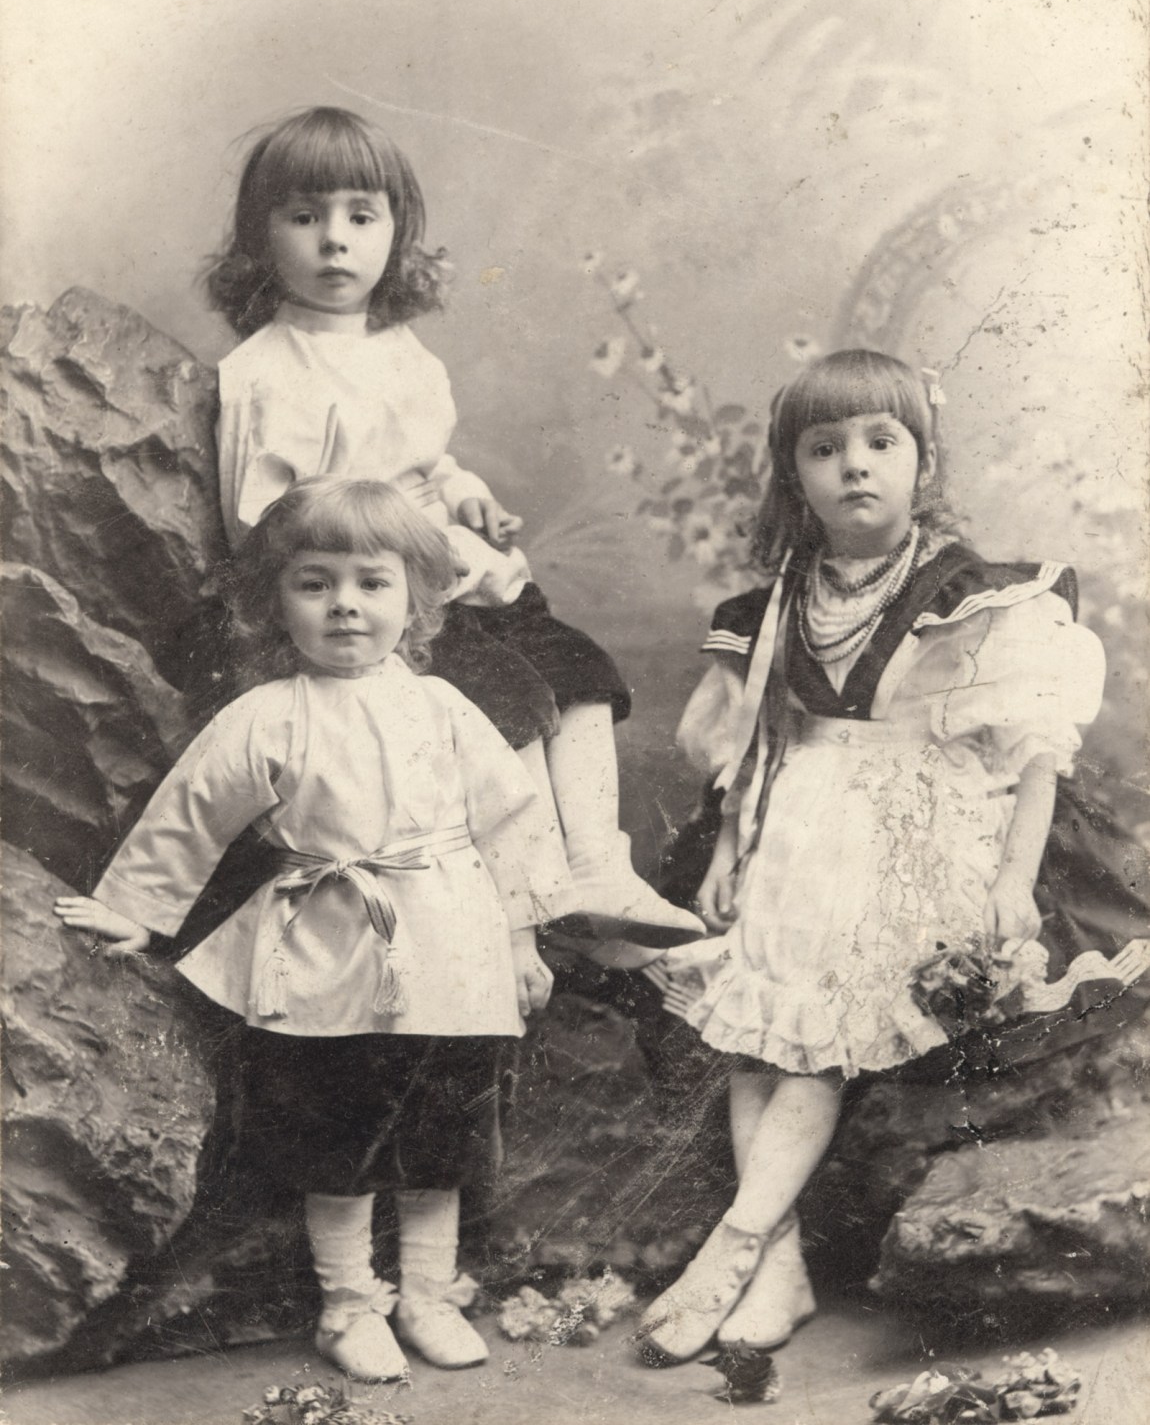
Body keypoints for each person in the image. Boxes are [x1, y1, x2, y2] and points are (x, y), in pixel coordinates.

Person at [636, 349, 1148, 1365]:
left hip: (917, 822)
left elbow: (1027, 752)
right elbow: (732, 743)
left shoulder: (969, 591)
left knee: (820, 1032)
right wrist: (733, 793)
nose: (854, 466)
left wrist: (1008, 880)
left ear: (922, 462)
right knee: (755, 1030)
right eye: (824, 448)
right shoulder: (776, 597)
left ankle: (734, 1243)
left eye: (881, 442)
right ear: (795, 474)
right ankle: (775, 1268)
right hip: (797, 816)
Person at [55, 477, 573, 1383]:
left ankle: (426, 1292)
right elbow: (190, 814)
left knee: (443, 1134)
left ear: (415, 596)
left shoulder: (445, 709)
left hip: (450, 943)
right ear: (274, 601)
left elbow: (512, 825)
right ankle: (348, 1303)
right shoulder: (266, 716)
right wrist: (134, 910)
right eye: (314, 582)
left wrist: (523, 939)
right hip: (326, 945)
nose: (344, 606)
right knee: (337, 1132)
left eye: (372, 582)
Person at [202, 105, 703, 959]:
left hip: (451, 574)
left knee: (577, 669)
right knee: (507, 696)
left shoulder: (401, 353)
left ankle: (595, 866)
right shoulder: (262, 375)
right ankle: (538, 904)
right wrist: (402, 540)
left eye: (361, 217)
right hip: (369, 602)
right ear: (260, 240)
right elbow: (265, 528)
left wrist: (462, 490)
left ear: (396, 237)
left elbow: (424, 457)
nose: (334, 242)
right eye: (304, 217)